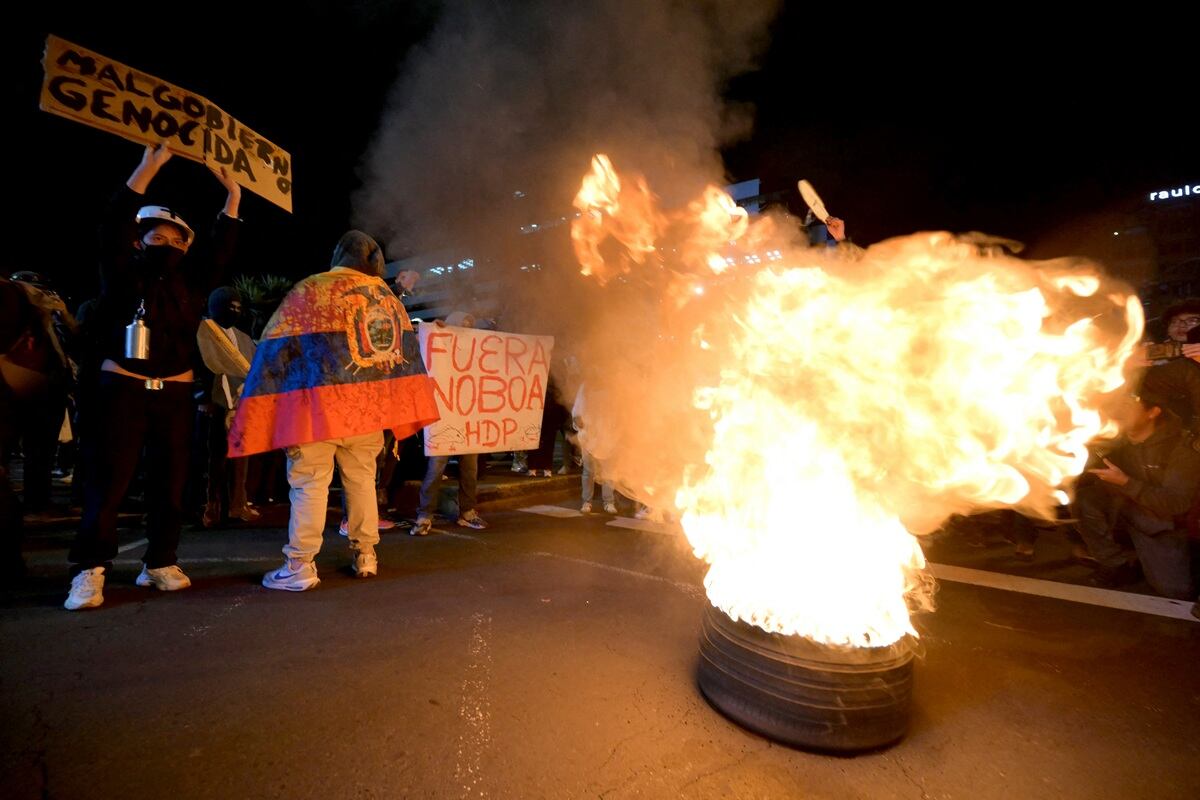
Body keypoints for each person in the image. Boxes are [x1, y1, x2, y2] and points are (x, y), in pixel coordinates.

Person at [65, 144, 242, 611]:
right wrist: (149, 167)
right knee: (110, 479)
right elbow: (111, 225)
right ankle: (89, 570)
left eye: (177, 240)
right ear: (138, 241)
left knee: (172, 481)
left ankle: (160, 561)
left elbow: (222, 247)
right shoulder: (120, 274)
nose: (168, 246)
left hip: (176, 393)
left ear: (187, 246)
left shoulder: (192, 282)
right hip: (121, 388)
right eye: (155, 239)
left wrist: (233, 195)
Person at [227, 231, 439, 590]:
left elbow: (277, 346)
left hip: (316, 410)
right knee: (361, 484)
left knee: (310, 486)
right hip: (367, 413)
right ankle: (366, 555)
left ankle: (300, 564)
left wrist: (257, 396)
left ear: (338, 255)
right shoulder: (387, 299)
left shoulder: (312, 289)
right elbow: (403, 359)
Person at [1073, 390, 1200, 598]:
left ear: (1153, 412)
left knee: (1175, 591)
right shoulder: (1113, 438)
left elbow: (1177, 504)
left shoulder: (1181, 449)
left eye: (1130, 403)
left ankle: (1161, 556)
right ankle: (1117, 564)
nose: (1119, 409)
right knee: (1084, 500)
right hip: (1123, 513)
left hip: (1158, 524)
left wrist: (1125, 482)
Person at [411, 311, 489, 536]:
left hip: (469, 420)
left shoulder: (475, 351)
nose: (465, 327)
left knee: (469, 471)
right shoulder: (438, 348)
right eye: (461, 324)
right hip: (443, 420)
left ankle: (467, 512)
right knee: (435, 470)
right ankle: (425, 514)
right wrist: (432, 331)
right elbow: (417, 347)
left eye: (468, 324)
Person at [196, 286, 259, 526]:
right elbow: (199, 368)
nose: (233, 311)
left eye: (237, 307)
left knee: (241, 458)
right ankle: (211, 507)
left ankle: (237, 504)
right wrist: (202, 398)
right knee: (213, 460)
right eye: (227, 307)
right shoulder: (203, 332)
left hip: (240, 406)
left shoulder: (242, 337)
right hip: (214, 405)